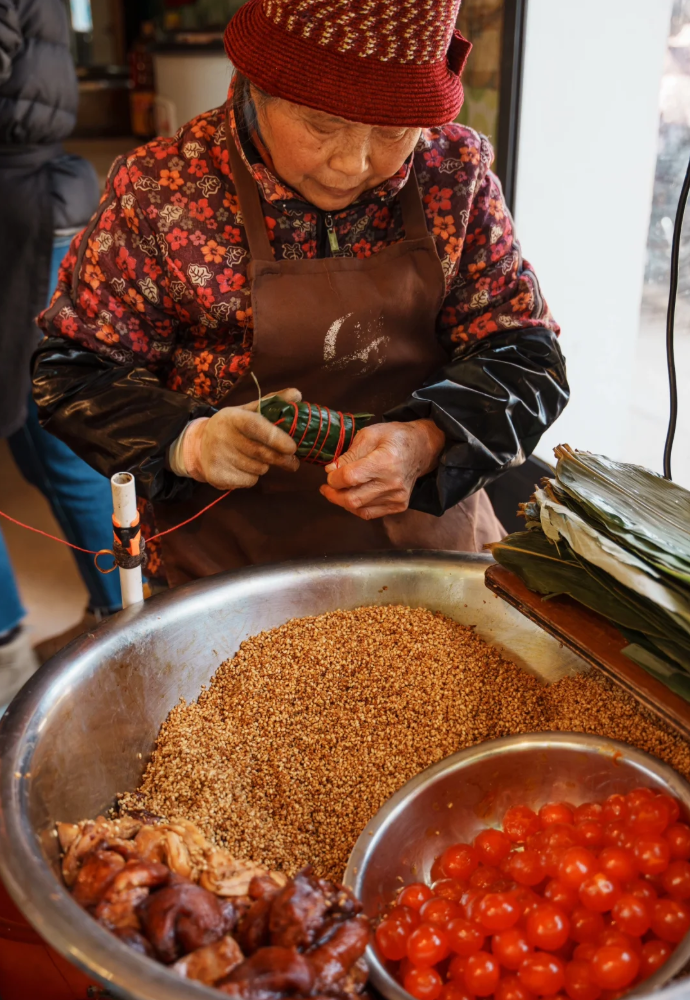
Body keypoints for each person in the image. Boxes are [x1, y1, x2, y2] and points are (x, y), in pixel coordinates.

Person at [32, 0, 569, 588]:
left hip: (428, 551)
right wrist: (189, 441)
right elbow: (75, 374)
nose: (352, 162)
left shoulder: (454, 172)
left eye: (392, 131)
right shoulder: (164, 189)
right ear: (256, 88)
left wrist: (428, 441)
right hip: (228, 570)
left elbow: (527, 356)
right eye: (322, 125)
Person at [0, 0, 121, 704]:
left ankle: (113, 626)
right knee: (40, 439)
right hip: (36, 203)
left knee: (59, 435)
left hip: (22, 208)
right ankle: (111, 618)